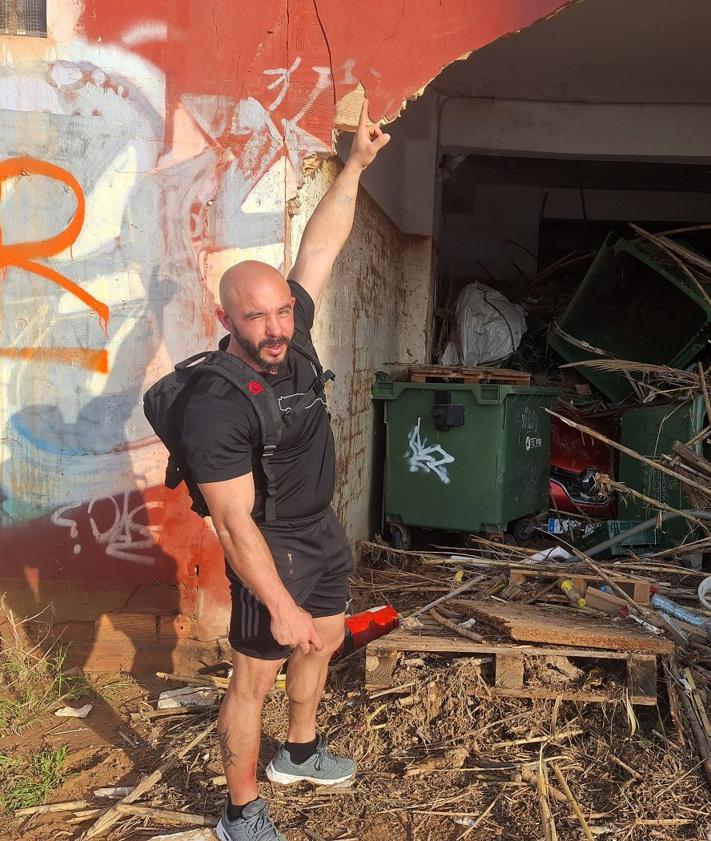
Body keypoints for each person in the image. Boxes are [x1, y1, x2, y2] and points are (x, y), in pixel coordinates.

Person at [180, 100, 390, 841]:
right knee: (254, 679)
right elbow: (234, 526)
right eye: (257, 318)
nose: (276, 328)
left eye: (282, 312)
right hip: (270, 544)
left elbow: (321, 248)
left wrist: (357, 167)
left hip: (318, 529)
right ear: (227, 318)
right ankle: (240, 812)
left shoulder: (292, 334)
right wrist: (275, 601)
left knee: (325, 637)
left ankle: (298, 752)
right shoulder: (215, 406)